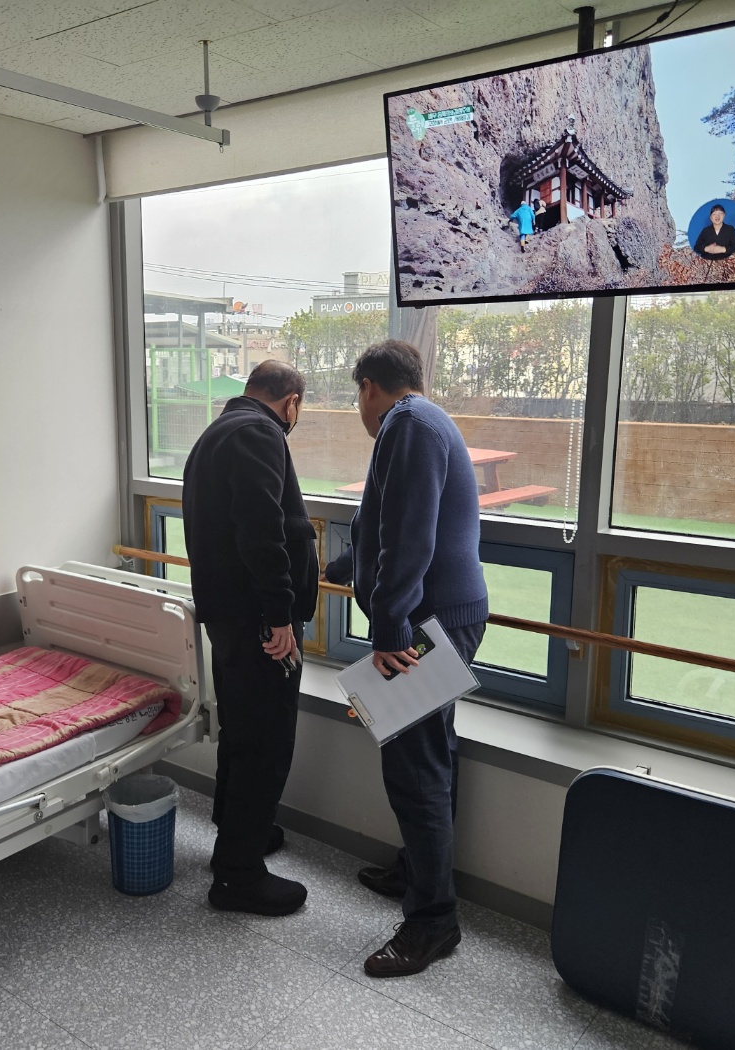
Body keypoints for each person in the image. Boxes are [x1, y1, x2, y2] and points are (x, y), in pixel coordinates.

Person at [324, 340, 489, 977]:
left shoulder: (409, 425)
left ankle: (432, 922)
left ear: (369, 386)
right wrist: (343, 566)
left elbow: (411, 538)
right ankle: (420, 874)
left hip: (427, 622)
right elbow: (385, 521)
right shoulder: (420, 420)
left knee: (413, 770)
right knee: (431, 754)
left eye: (356, 397)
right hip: (438, 615)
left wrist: (388, 628)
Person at [181, 360, 319, 917]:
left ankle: (239, 833)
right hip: (260, 622)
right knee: (266, 742)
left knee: (242, 731)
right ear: (292, 403)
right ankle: (238, 877)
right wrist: (280, 615)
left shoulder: (216, 433)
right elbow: (263, 532)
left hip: (230, 618)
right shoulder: (259, 433)